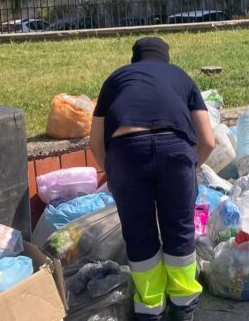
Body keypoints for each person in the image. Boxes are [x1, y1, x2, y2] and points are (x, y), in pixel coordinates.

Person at [89, 37, 215, 321]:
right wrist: (190, 167)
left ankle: (150, 309)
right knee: (180, 230)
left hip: (126, 152)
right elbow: (208, 140)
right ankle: (183, 308)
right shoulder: (181, 77)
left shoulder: (116, 79)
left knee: (138, 233)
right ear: (165, 59)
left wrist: (113, 172)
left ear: (135, 60)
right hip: (176, 150)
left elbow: (96, 143)